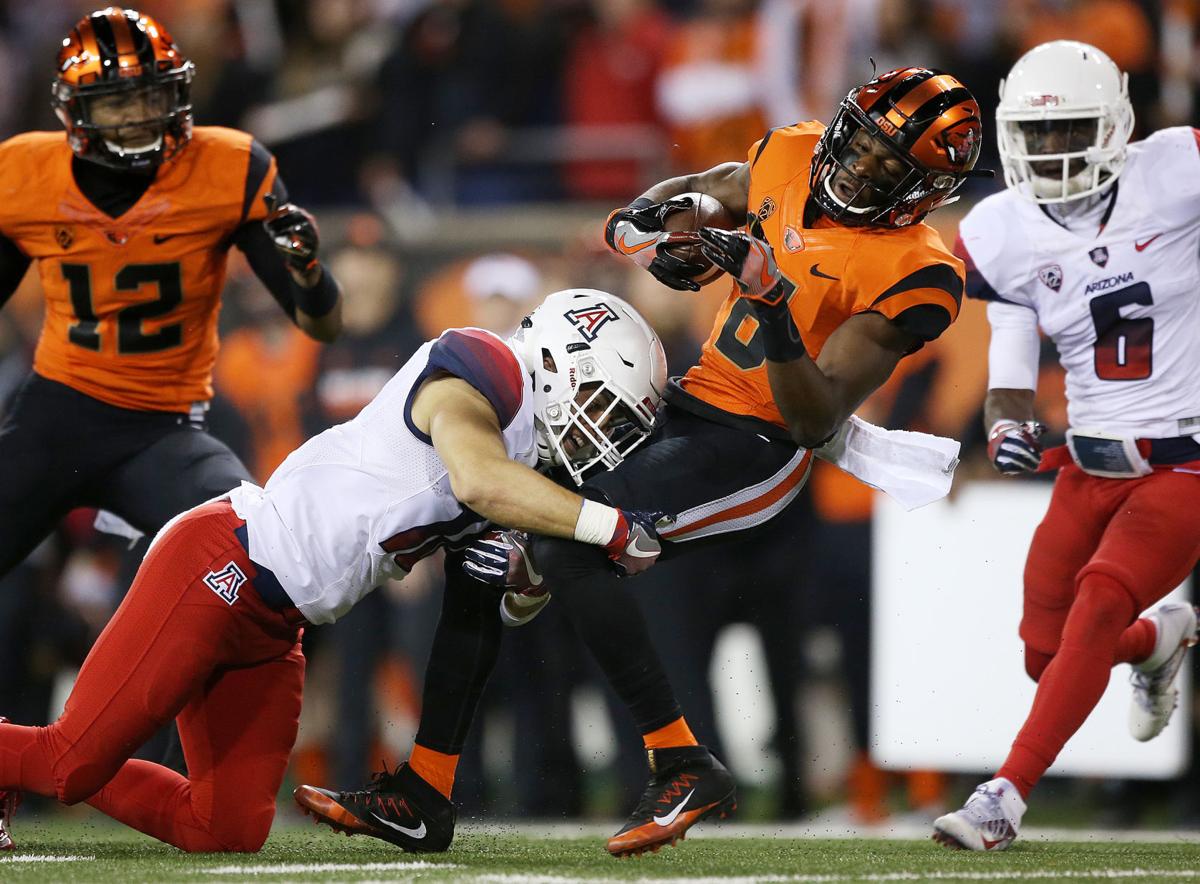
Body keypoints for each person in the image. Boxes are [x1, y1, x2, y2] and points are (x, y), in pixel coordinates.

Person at [298, 66, 983, 858]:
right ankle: (424, 791)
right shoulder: (792, 154)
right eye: (859, 144)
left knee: (565, 540)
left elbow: (814, 416)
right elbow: (700, 192)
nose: (860, 168)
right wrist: (661, 222)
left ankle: (684, 763)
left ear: (925, 192)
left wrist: (770, 301)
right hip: (689, 402)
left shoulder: (920, 273)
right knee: (487, 547)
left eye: (888, 165)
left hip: (758, 449)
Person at [0, 288, 667, 853]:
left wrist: (528, 580)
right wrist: (609, 526)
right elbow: (477, 479)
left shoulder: (525, 457)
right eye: (601, 401)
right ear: (556, 361)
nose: (601, 427)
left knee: (224, 829)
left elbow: (506, 594)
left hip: (277, 624)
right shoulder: (482, 368)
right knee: (68, 763)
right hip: (223, 564)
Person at [932, 41, 1200, 852]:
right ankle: (1157, 642)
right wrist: (1006, 424)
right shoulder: (1001, 229)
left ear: (1117, 124)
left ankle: (1004, 797)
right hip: (1089, 465)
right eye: (1037, 133)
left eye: (1072, 128)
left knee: (1100, 597)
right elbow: (1012, 351)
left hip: (1184, 459)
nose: (1053, 149)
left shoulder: (1177, 170)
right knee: (1045, 657)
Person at [0, 7, 342, 582]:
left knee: (262, 559)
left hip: (164, 425)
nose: (137, 116)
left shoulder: (228, 166)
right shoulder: (24, 173)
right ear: (76, 110)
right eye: (116, 102)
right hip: (58, 414)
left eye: (149, 95)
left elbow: (323, 326)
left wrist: (307, 271)